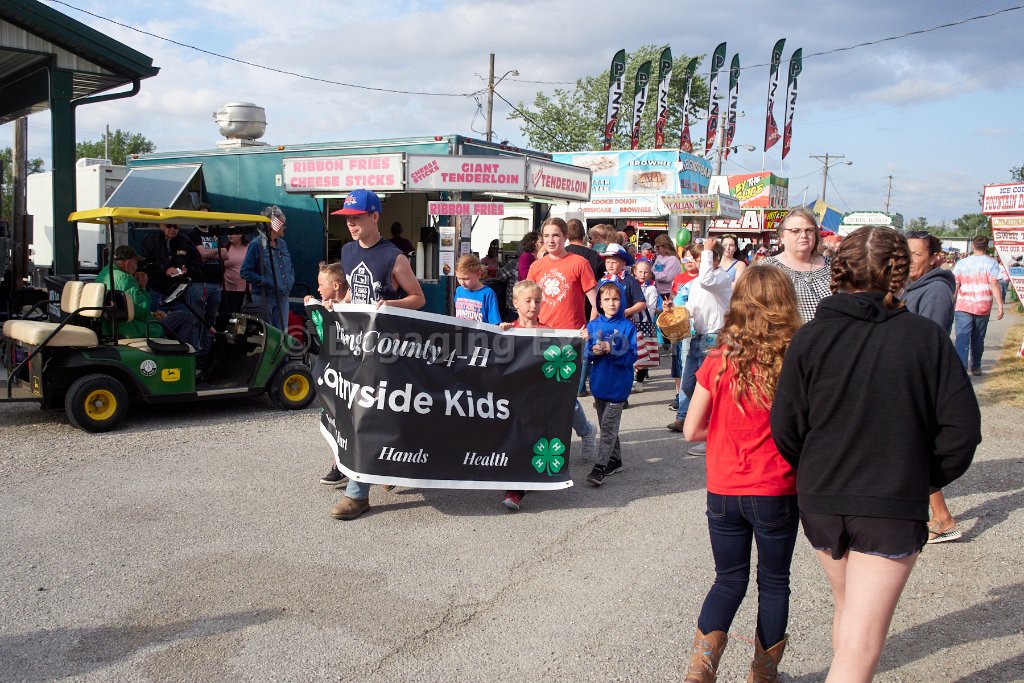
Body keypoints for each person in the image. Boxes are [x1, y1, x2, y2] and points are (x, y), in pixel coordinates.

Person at [771, 226, 981, 682]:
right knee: (861, 642)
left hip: (826, 498)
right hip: (885, 502)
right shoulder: (924, 337)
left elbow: (786, 428)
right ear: (898, 273)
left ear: (840, 270)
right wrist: (919, 478)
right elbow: (962, 432)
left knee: (850, 616)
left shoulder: (811, 338)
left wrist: (819, 469)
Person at [681, 266, 803, 683]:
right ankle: (762, 675)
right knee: (774, 582)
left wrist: (725, 430)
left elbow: (691, 429)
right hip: (776, 487)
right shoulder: (794, 360)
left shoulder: (718, 359)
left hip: (724, 488)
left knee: (728, 580)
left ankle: (700, 671)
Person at [330, 189, 426, 521]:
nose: (351, 224)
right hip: (354, 346)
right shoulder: (347, 251)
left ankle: (357, 494)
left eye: (357, 218)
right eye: (347, 219)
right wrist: (337, 305)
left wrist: (391, 304)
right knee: (360, 411)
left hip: (386, 350)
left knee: (369, 414)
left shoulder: (394, 257)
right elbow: (353, 293)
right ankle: (385, 465)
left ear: (374, 217)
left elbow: (418, 298)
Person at [526, 217, 598, 471]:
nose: (551, 240)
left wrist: (591, 328)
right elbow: (527, 299)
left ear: (565, 237)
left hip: (570, 338)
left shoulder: (579, 263)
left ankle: (585, 432)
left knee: (564, 394)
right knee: (543, 393)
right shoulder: (537, 266)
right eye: (546, 236)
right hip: (541, 335)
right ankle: (550, 440)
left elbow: (595, 301)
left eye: (555, 235)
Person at [904, 231, 961, 544]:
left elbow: (929, 339)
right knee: (914, 448)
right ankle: (937, 516)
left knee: (917, 448)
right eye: (906, 253)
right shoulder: (913, 285)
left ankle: (942, 518)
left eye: (916, 254)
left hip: (922, 380)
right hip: (911, 378)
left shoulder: (936, 290)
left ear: (933, 258)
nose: (909, 260)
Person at [667, 238, 732, 453]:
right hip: (698, 336)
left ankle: (711, 435)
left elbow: (706, 279)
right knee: (688, 386)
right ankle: (712, 428)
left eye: (702, 258)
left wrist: (709, 251)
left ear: (714, 259)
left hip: (715, 337)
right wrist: (674, 310)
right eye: (697, 259)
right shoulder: (697, 282)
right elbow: (692, 307)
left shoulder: (720, 277)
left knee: (709, 387)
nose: (698, 263)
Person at [498, 279, 548, 511]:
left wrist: (578, 339)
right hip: (512, 399)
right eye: (528, 301)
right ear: (515, 303)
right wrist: (499, 334)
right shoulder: (509, 330)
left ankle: (520, 485)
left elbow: (563, 354)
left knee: (531, 441)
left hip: (537, 399)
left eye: (537, 301)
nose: (533, 305)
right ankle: (515, 488)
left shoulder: (548, 331)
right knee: (514, 441)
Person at [583, 282, 638, 486]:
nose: (611, 303)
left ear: (622, 301)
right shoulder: (592, 326)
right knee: (607, 426)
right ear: (599, 302)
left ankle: (600, 467)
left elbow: (631, 357)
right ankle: (615, 460)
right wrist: (592, 350)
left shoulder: (628, 326)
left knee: (607, 427)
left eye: (615, 299)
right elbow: (586, 355)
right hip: (599, 383)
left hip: (618, 386)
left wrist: (612, 349)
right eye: (606, 299)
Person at [306, 261, 351, 489]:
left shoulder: (353, 309)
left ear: (335, 286)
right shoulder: (326, 306)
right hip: (334, 374)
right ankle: (339, 464)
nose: (318, 289)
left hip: (352, 374)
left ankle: (376, 467)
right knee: (335, 418)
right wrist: (314, 307)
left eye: (321, 285)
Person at [96, 245, 193, 344]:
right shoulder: (126, 278)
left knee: (170, 317)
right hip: (131, 329)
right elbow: (142, 310)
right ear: (127, 263)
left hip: (110, 327)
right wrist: (143, 287)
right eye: (135, 262)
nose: (136, 267)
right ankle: (181, 351)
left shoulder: (103, 274)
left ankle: (171, 347)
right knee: (184, 317)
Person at [757, 208, 831, 322]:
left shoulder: (832, 265)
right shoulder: (767, 268)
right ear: (782, 236)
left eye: (809, 230)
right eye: (796, 231)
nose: (803, 235)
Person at [952, 234, 1004, 376]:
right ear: (987, 247)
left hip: (963, 305)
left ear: (973, 246)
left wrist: (952, 301)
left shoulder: (962, 263)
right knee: (978, 339)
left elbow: (956, 285)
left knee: (962, 338)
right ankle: (976, 366)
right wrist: (1000, 305)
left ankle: (961, 369)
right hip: (983, 305)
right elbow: (994, 284)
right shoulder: (992, 263)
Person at [240, 207, 295, 330]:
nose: (284, 227)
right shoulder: (256, 244)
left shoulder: (282, 244)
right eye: (282, 224)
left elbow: (290, 267)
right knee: (268, 333)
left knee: (282, 333)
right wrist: (264, 281)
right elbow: (245, 272)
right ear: (273, 225)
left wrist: (290, 280)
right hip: (264, 299)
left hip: (282, 298)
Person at [139, 222, 203, 312]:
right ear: (161, 226)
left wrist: (187, 270)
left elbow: (198, 265)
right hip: (158, 291)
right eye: (169, 226)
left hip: (180, 293)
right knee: (159, 318)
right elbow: (144, 265)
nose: (172, 229)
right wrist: (164, 270)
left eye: (175, 226)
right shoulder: (151, 240)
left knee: (184, 318)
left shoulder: (185, 241)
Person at [186, 203, 223, 352]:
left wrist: (209, 254)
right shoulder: (192, 234)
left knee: (211, 319)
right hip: (198, 283)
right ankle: (194, 349)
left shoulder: (215, 233)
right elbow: (202, 254)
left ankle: (206, 349)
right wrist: (216, 252)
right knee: (197, 319)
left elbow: (225, 254)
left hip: (215, 283)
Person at [633, 258, 661, 391]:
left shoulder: (651, 288)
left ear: (650, 273)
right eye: (640, 271)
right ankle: (632, 376)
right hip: (631, 321)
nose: (643, 274)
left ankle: (640, 380)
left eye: (646, 272)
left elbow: (651, 308)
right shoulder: (631, 284)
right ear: (635, 271)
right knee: (632, 350)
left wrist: (643, 320)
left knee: (644, 351)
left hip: (645, 322)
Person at [453, 254, 501, 324]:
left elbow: (494, 322)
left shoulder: (488, 294)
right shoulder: (459, 291)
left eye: (466, 279)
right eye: (459, 278)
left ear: (478, 274)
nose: (462, 282)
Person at [220, 227, 249, 313]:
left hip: (246, 289)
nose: (230, 235)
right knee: (228, 315)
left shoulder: (249, 247)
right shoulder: (225, 248)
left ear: (241, 234)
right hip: (227, 289)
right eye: (228, 232)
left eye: (233, 232)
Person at [652, 234, 682, 300]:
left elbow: (666, 277)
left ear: (665, 246)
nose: (656, 249)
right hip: (658, 291)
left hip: (668, 293)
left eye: (657, 247)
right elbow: (652, 269)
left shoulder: (673, 259)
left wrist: (654, 274)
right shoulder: (659, 257)